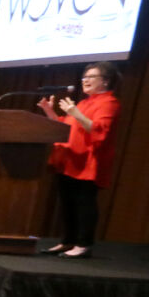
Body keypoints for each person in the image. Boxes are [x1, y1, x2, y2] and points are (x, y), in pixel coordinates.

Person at [39, 62, 121, 258]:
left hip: (87, 162)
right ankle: (68, 241)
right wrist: (49, 112)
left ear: (105, 81)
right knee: (67, 203)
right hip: (69, 159)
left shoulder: (109, 103)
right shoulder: (84, 103)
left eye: (91, 77)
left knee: (83, 203)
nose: (85, 80)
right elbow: (66, 128)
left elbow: (99, 130)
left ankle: (83, 244)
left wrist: (74, 112)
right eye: (84, 77)